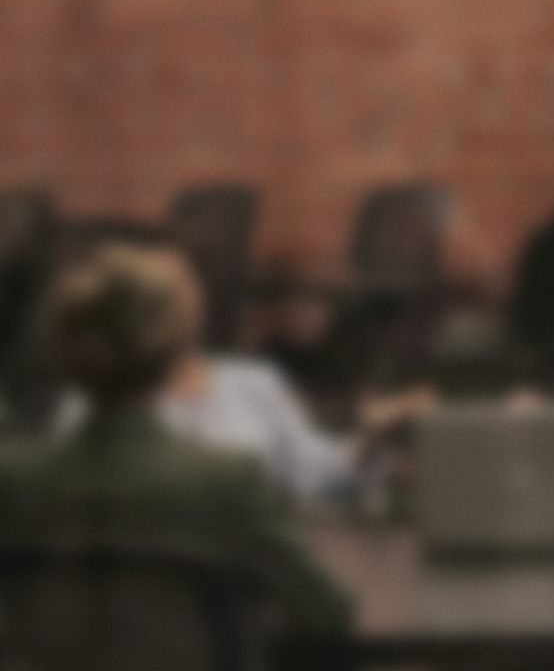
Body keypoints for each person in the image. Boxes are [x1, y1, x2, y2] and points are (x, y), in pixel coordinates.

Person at [0, 242, 352, 638]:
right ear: (173, 347)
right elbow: (328, 612)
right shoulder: (227, 481)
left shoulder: (12, 483)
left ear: (62, 345)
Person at [49, 241, 394, 503]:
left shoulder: (255, 383)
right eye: (157, 293)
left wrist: (372, 438)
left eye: (183, 284)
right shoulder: (94, 399)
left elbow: (317, 471)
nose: (176, 301)